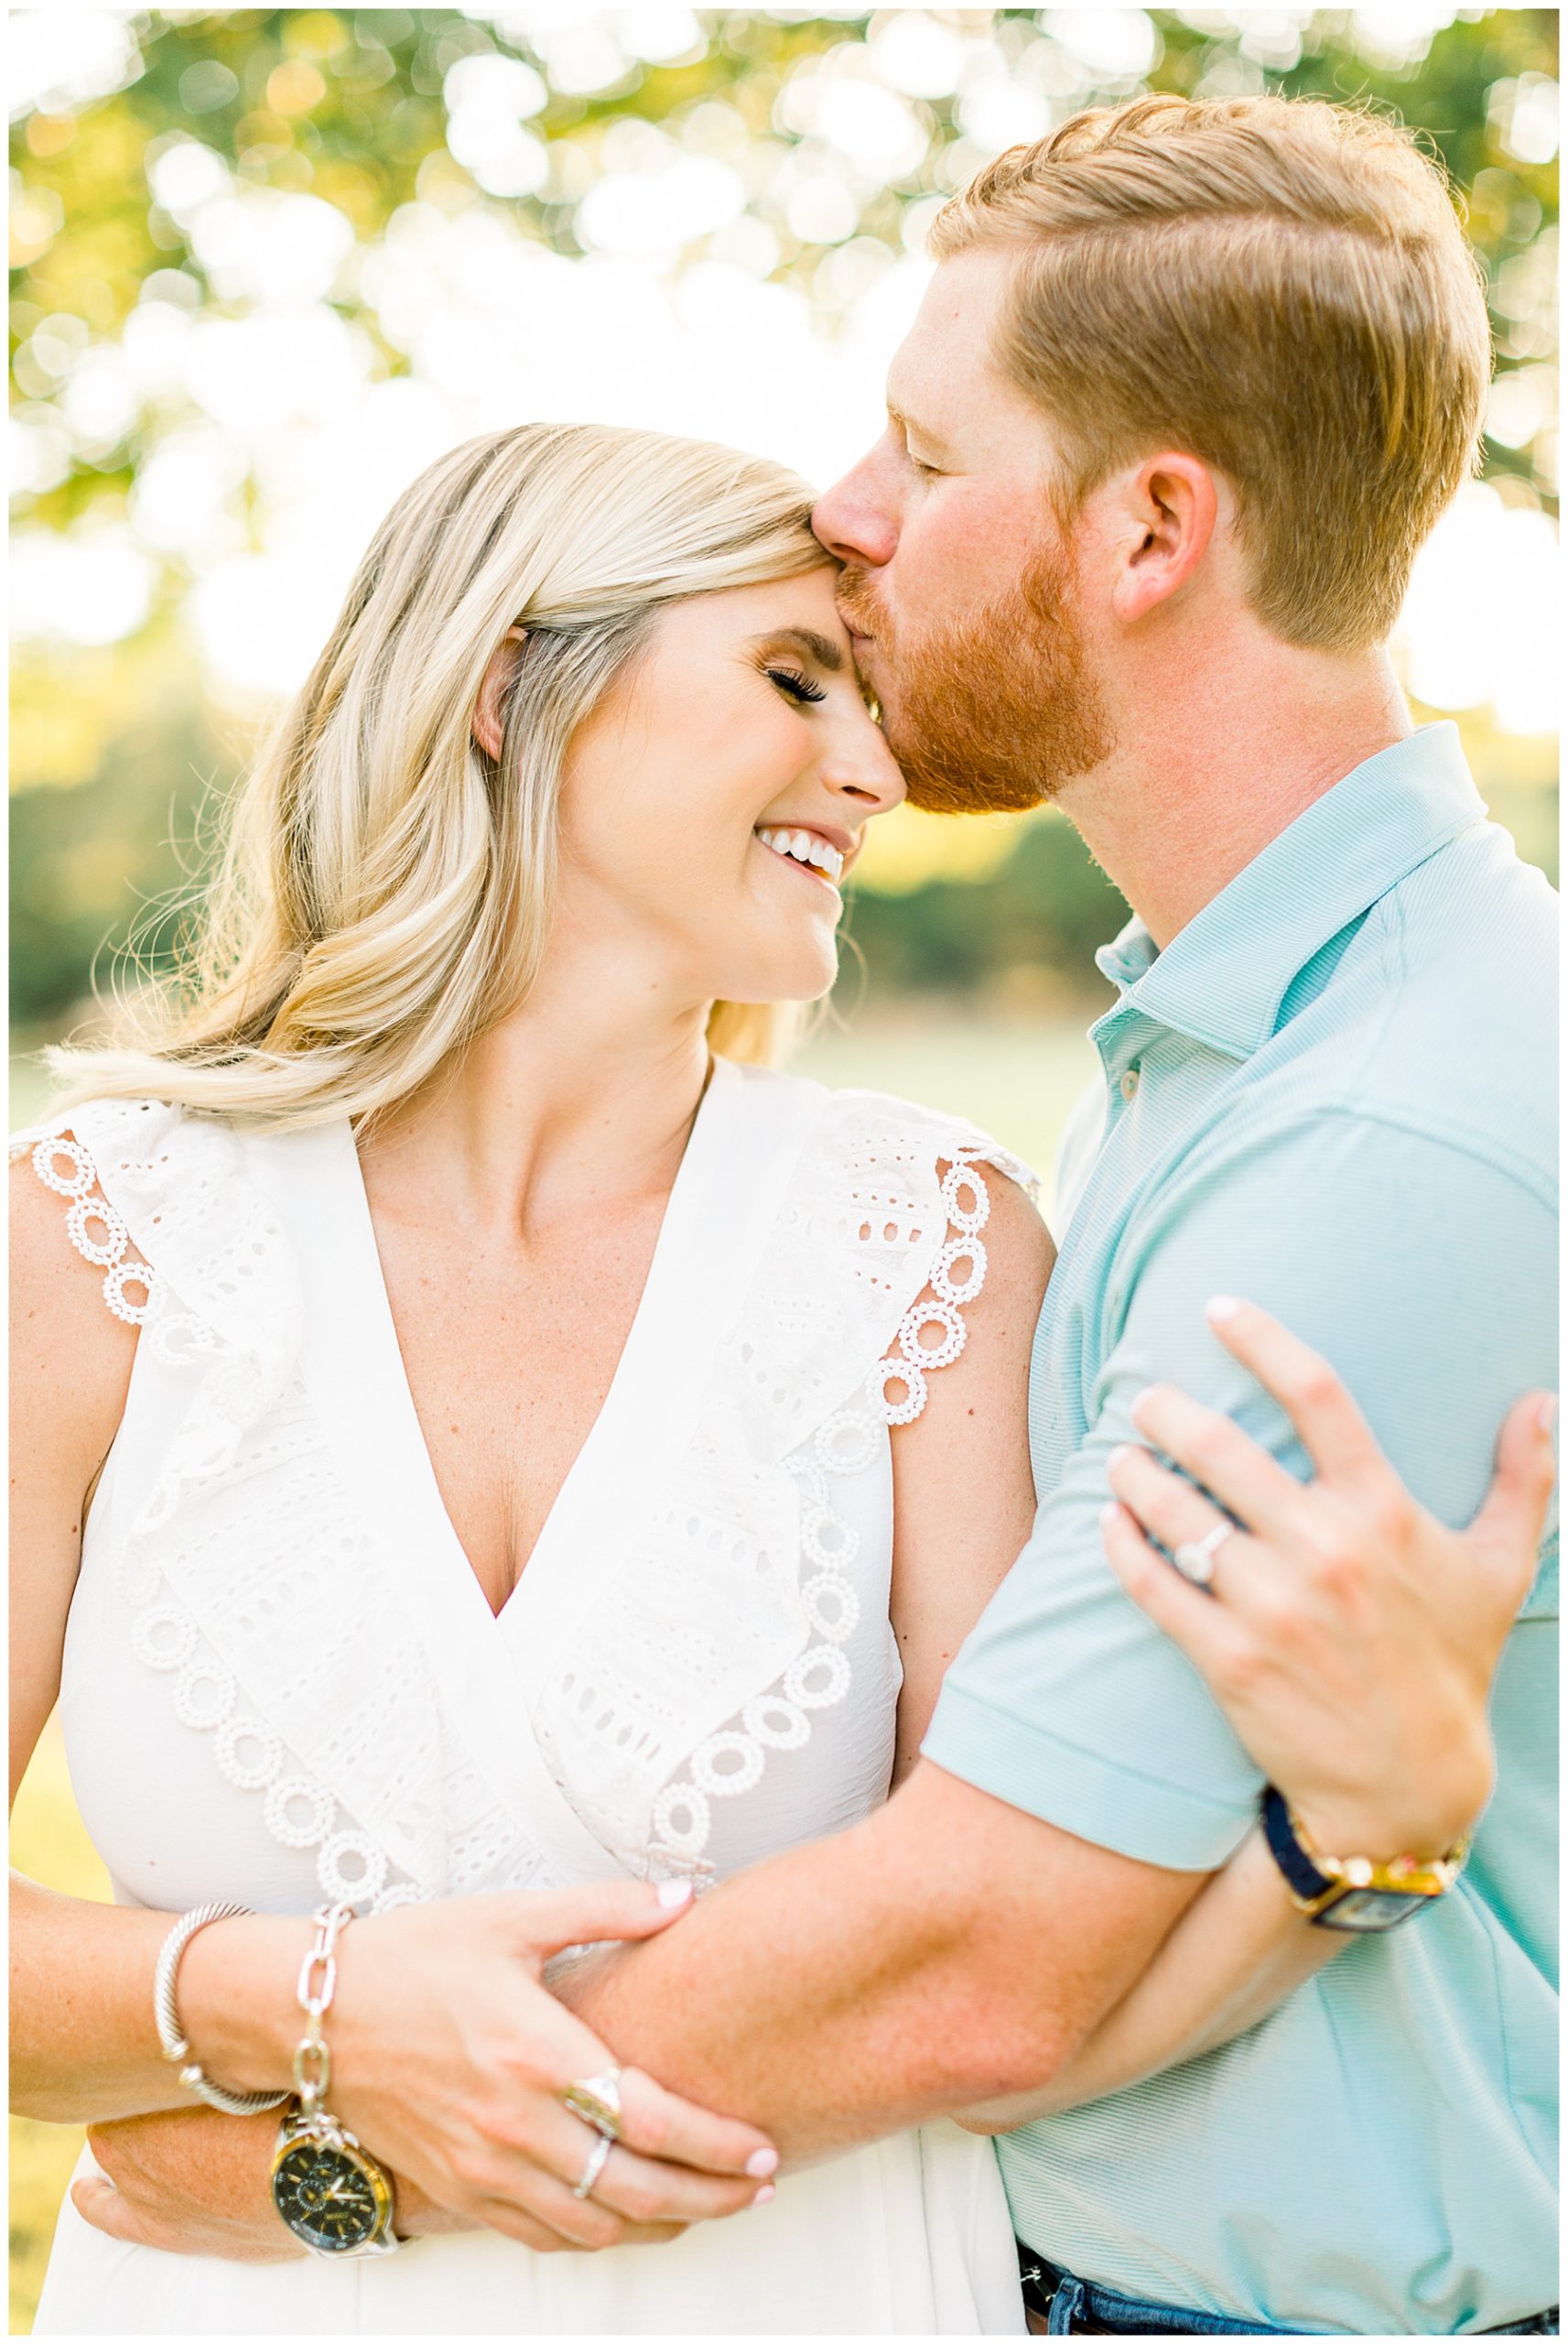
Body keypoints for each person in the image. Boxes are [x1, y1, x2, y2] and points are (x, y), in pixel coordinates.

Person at [8, 94, 1553, 2340]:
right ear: (506, 697)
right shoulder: (95, 1233)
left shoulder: (992, 1221)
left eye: (921, 458)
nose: (860, 734)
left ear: (1146, 530)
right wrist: (298, 1992)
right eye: (786, 669)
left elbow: (999, 1963)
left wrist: (291, 2161)